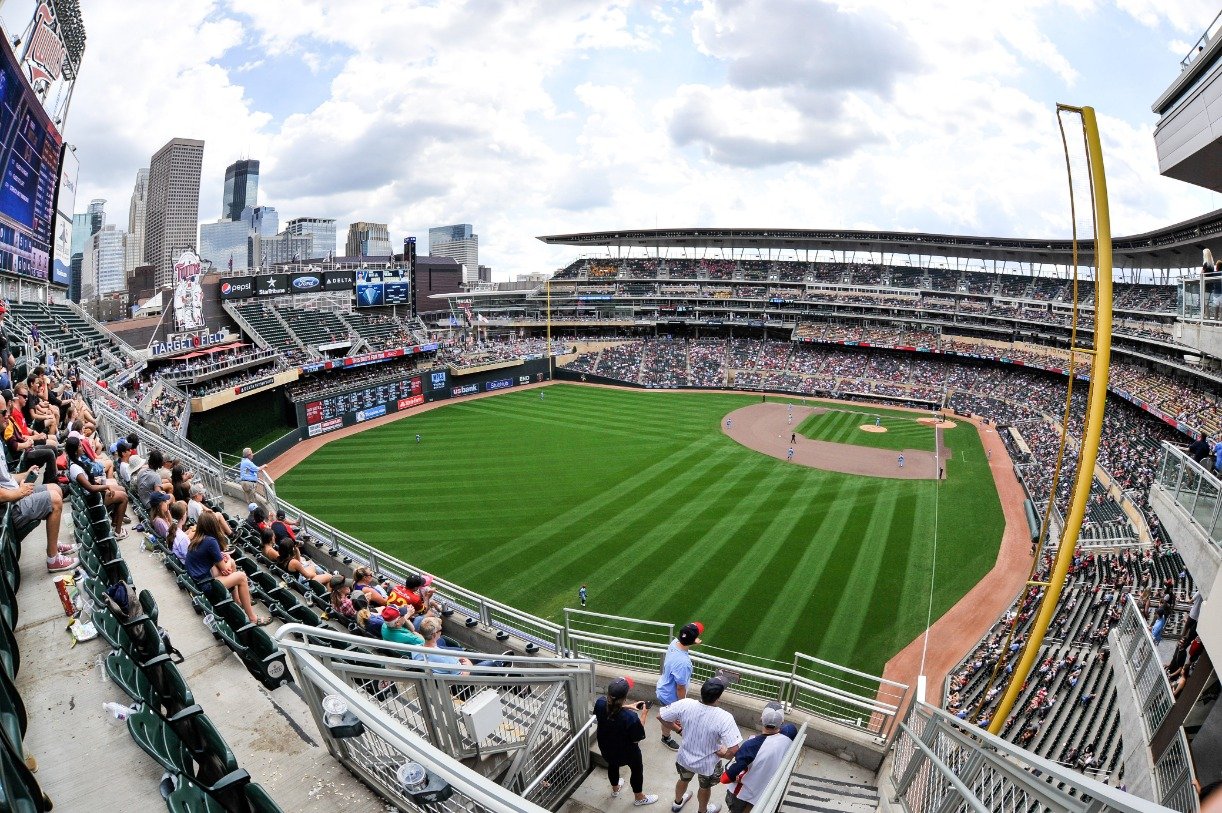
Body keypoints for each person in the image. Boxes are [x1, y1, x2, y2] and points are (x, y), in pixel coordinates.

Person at [0, 404, 73, 572]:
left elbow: (7, 478)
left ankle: (54, 546)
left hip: (15, 496)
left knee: (55, 488)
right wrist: (18, 493)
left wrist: (25, 474)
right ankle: (53, 559)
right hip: (8, 510)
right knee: (54, 500)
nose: (7, 415)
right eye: (4, 412)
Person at [659, 678, 742, 813]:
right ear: (718, 697)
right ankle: (702, 811)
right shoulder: (725, 717)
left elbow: (661, 717)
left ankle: (677, 803)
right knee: (704, 788)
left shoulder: (686, 704)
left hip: (685, 757)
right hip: (708, 764)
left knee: (683, 779)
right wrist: (725, 754)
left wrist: (679, 730)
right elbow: (734, 749)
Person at [185, 510, 267, 625]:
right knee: (242, 576)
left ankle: (237, 601)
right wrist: (227, 559)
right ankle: (252, 618)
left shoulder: (197, 539)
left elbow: (212, 560)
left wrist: (225, 560)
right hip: (206, 585)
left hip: (199, 582)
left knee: (232, 563)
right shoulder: (210, 541)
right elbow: (225, 569)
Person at [594, 676, 658, 806]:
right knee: (636, 770)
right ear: (625, 696)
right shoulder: (631, 718)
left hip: (606, 747)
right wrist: (644, 712)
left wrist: (628, 707)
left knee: (612, 765)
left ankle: (615, 789)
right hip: (627, 753)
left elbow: (610, 710)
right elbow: (636, 738)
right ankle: (639, 797)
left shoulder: (600, 703)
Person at [720, 707, 795, 813]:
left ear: (761, 719)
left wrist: (726, 755)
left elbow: (724, 778)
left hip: (743, 794)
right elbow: (789, 727)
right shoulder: (790, 733)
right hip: (765, 791)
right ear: (782, 722)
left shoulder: (751, 746)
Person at [64, 436, 128, 535]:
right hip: (92, 499)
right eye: (80, 446)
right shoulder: (75, 468)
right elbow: (90, 488)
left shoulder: (77, 459)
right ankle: (118, 532)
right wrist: (106, 487)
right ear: (75, 450)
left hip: (92, 493)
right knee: (123, 497)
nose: (82, 448)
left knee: (122, 489)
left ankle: (114, 523)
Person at [657, 621, 703, 751]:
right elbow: (680, 688)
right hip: (670, 696)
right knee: (668, 718)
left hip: (663, 687)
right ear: (693, 640)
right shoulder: (683, 664)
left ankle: (666, 735)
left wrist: (692, 641)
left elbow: (684, 643)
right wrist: (682, 706)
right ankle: (666, 738)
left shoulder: (674, 643)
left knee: (668, 716)